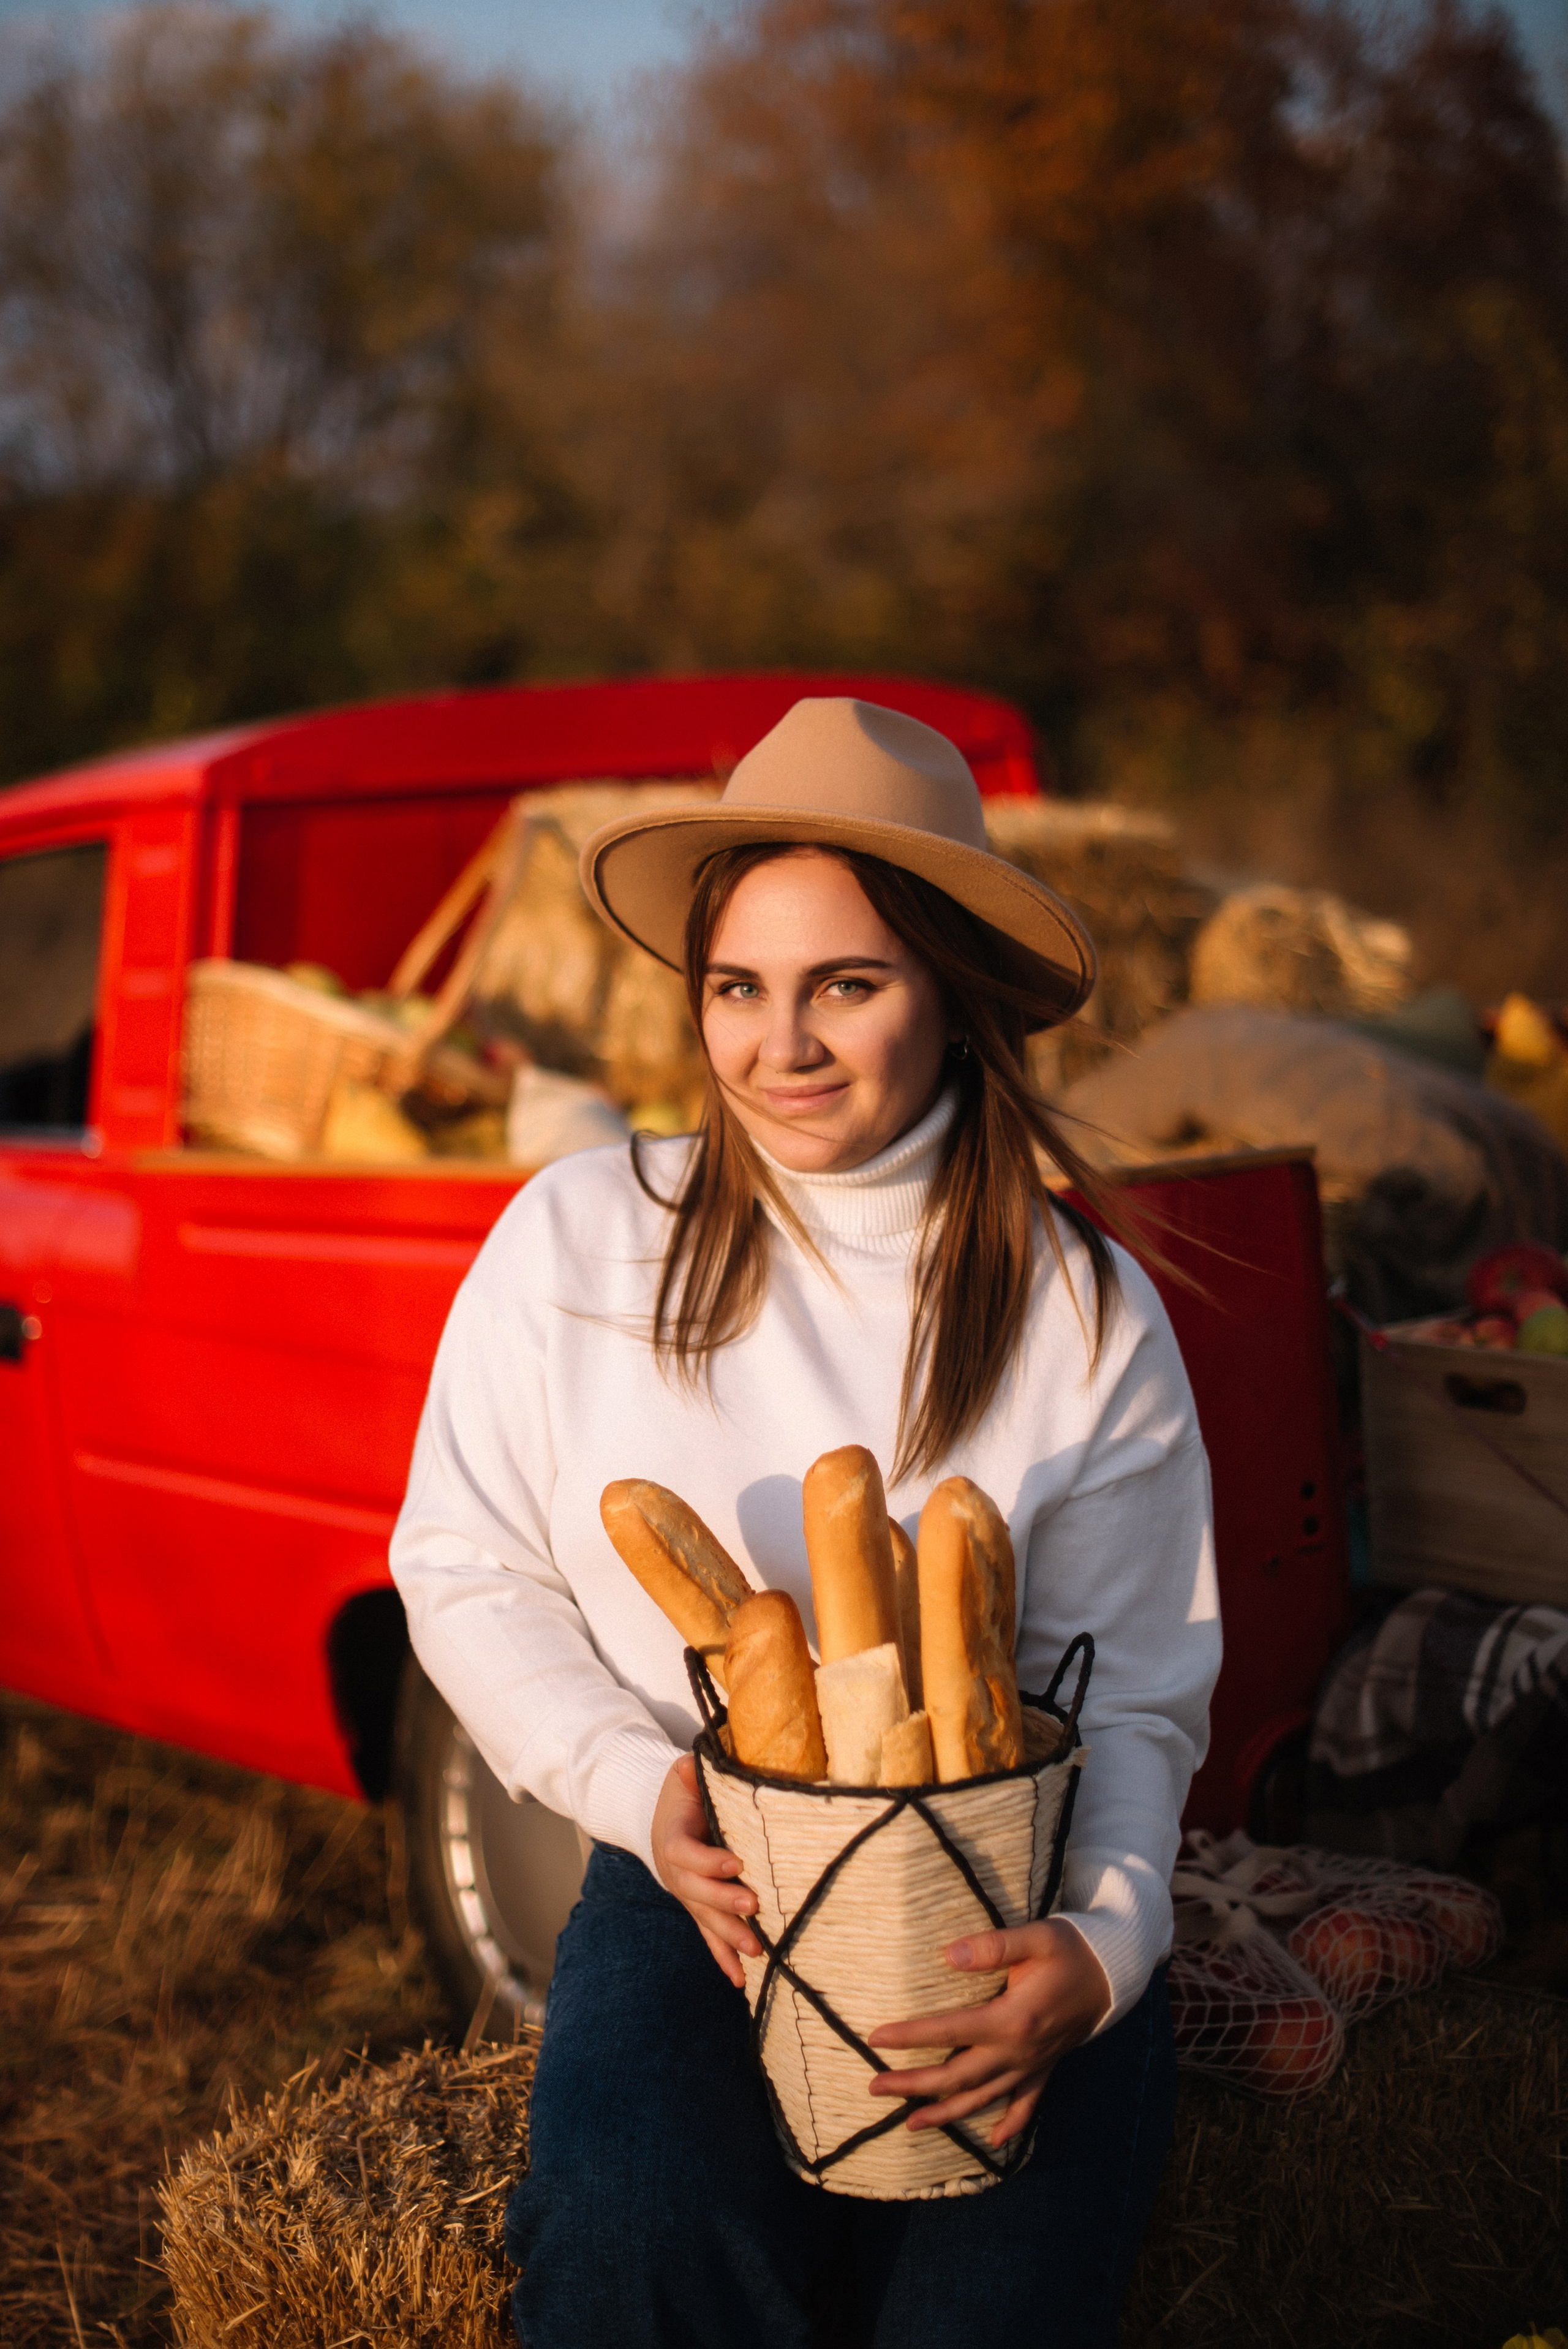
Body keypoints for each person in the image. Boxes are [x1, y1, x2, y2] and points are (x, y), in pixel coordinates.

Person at [390, 698, 1221, 2348]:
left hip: (1012, 1902)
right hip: (706, 1885)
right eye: (738, 987)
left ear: (956, 993)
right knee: (636, 2244)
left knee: (980, 2317)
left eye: (849, 983)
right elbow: (465, 1564)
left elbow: (1135, 1685)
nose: (784, 1044)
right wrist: (644, 1789)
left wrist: (1102, 1948)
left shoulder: (1086, 1308)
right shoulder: (579, 1241)